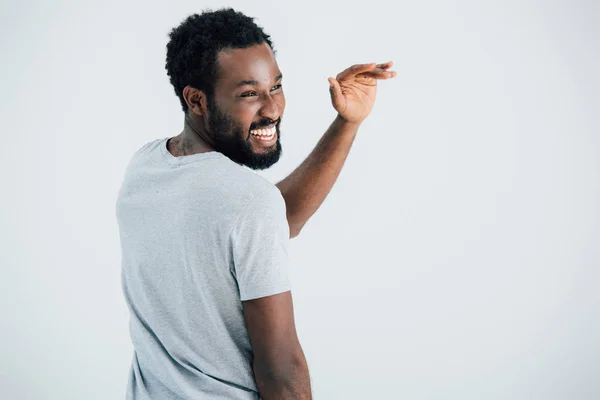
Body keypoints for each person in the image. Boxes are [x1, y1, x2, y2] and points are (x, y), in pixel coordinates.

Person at [116, 7, 396, 400]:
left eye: (276, 86)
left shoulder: (146, 167)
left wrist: (347, 122)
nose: (273, 108)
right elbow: (281, 373)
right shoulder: (247, 203)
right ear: (197, 100)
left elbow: (267, 218)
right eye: (249, 94)